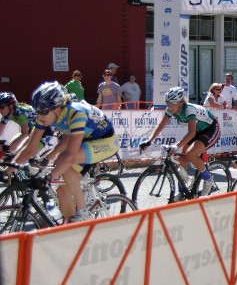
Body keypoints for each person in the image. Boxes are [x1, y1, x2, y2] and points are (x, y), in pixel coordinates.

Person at [12, 81, 118, 222]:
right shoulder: (51, 116)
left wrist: (47, 179)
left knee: (65, 161)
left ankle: (83, 211)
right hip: (86, 140)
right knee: (62, 191)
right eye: (37, 112)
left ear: (56, 109)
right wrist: (10, 168)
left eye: (43, 112)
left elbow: (70, 156)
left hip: (106, 141)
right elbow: (30, 149)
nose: (39, 117)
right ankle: (70, 228)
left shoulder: (76, 113)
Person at [139, 87, 220, 196]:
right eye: (167, 103)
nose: (169, 106)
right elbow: (161, 126)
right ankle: (182, 192)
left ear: (181, 103)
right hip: (198, 130)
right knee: (181, 159)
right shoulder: (171, 110)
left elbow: (191, 133)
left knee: (191, 154)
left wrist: (176, 146)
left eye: (172, 104)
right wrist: (148, 141)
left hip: (211, 128)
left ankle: (208, 179)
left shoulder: (189, 110)